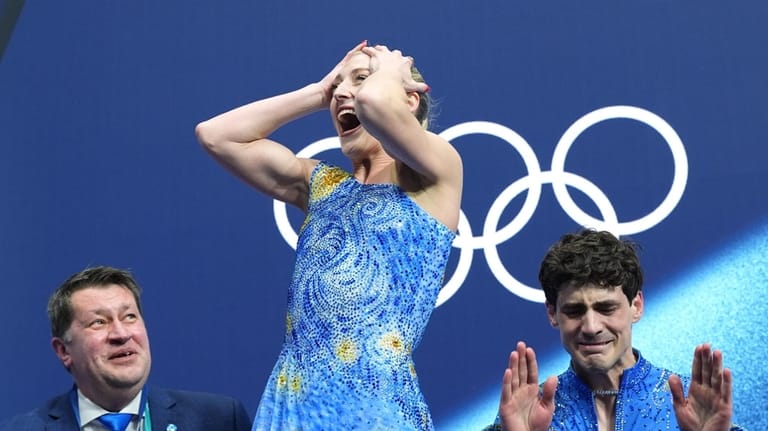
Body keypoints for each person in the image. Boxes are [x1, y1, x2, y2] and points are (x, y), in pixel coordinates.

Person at [195, 40, 462, 430]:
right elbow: (216, 135)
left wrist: (390, 72)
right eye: (338, 86)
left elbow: (375, 104)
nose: (342, 93)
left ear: (408, 99)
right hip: (291, 408)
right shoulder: (320, 184)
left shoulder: (438, 172)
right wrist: (318, 92)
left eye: (360, 80)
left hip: (375, 410)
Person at [486, 229, 745, 431]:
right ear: (552, 313)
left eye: (606, 308)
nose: (591, 327)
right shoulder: (527, 410)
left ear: (636, 306)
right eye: (574, 311)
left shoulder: (692, 403)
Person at [0, 266, 252, 431]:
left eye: (129, 316)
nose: (121, 334)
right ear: (64, 351)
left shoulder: (218, 420)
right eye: (98, 322)